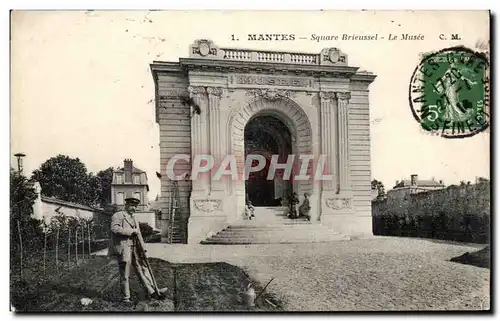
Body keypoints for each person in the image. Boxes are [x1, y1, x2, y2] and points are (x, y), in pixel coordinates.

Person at [108, 196, 165, 303]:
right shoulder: (118, 215)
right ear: (126, 205)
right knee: (125, 273)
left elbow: (138, 235)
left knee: (141, 269)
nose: (133, 208)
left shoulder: (134, 218)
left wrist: (143, 248)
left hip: (135, 248)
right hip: (124, 248)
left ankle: (152, 291)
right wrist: (130, 231)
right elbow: (114, 229)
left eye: (135, 206)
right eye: (131, 206)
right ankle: (126, 298)